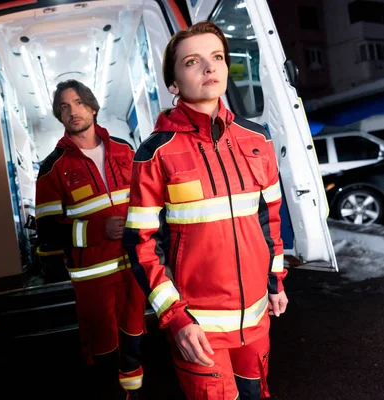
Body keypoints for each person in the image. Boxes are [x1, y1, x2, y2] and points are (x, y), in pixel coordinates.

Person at [123, 21, 288, 400]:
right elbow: (141, 244)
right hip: (198, 325)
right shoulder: (155, 153)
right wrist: (176, 319)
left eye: (217, 57)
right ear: (174, 84)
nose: (209, 68)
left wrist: (275, 283)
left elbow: (270, 220)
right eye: (192, 61)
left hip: (257, 317)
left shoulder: (257, 139)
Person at [35, 79, 146, 399]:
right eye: (64, 107)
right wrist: (98, 230)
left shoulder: (125, 150)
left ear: (93, 107)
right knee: (103, 345)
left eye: (79, 103)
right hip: (94, 277)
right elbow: (47, 233)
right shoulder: (52, 168)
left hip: (133, 266)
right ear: (59, 116)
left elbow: (146, 199)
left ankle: (134, 394)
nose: (73, 111)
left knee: (134, 337)